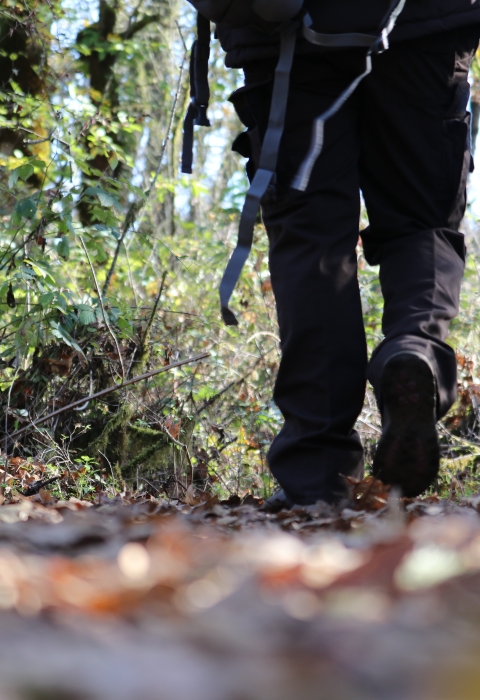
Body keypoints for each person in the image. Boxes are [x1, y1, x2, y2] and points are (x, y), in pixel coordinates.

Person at [214, 1, 480, 509]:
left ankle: (320, 477)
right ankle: (414, 350)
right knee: (422, 221)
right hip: (426, 21)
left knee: (311, 240)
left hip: (285, 27)